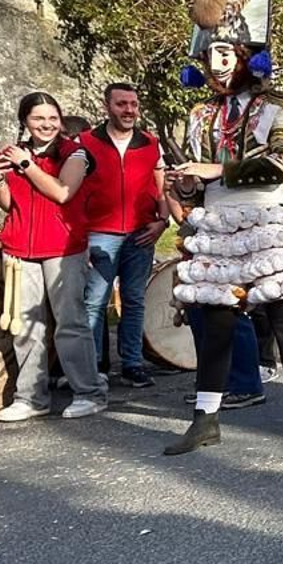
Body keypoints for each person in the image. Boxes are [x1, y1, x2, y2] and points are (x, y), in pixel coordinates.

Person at [161, 0, 283, 455]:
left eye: (226, 55)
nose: (216, 65)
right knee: (216, 325)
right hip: (217, 224)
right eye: (210, 57)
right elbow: (197, 174)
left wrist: (217, 170)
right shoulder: (197, 115)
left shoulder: (278, 107)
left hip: (267, 219)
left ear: (246, 57)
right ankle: (205, 418)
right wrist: (185, 183)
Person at [0, 92, 108, 422]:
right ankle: (31, 397)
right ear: (25, 121)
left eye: (53, 118)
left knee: (70, 323)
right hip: (21, 247)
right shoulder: (15, 152)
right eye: (39, 118)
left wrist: (26, 165)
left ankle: (89, 392)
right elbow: (9, 204)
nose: (47, 125)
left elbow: (62, 193)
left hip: (63, 247)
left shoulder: (75, 153)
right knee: (24, 326)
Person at [77, 82, 167, 387]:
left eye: (133, 104)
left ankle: (132, 363)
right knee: (95, 302)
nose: (129, 110)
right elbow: (73, 191)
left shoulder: (150, 143)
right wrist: (81, 236)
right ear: (107, 106)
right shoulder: (86, 142)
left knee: (134, 300)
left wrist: (163, 221)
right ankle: (92, 366)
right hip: (100, 234)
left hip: (141, 234)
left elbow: (161, 185)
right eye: (121, 104)